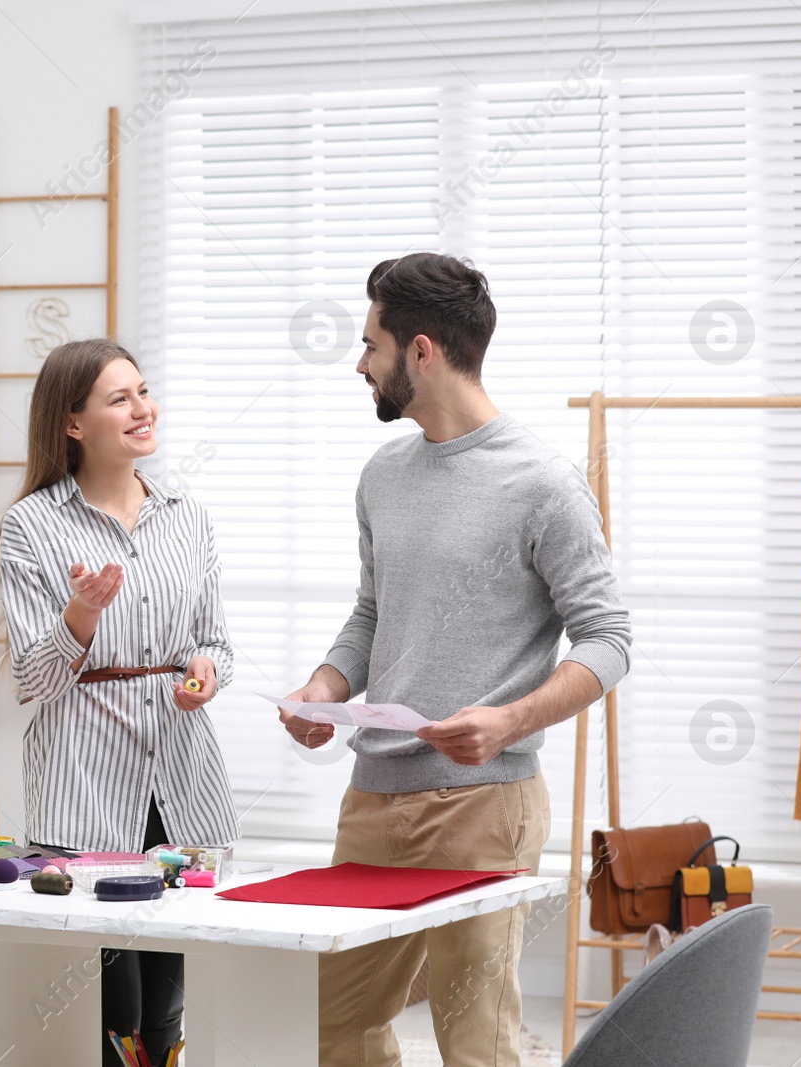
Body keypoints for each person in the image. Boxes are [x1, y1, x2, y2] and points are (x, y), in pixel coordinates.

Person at [282, 254, 632, 1067]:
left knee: (473, 1043)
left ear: (423, 352)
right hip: (374, 797)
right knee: (334, 1025)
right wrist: (325, 685)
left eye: (371, 345)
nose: (360, 362)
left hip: (484, 804)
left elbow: (608, 638)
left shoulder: (544, 482)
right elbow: (375, 610)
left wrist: (510, 718)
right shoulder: (384, 473)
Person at [0, 337, 240, 1066]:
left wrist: (206, 671)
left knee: (168, 995)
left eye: (144, 390)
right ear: (73, 423)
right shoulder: (31, 526)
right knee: (112, 1006)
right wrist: (80, 618)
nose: (144, 408)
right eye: (120, 397)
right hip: (84, 784)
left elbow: (217, 641)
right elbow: (31, 682)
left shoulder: (187, 516)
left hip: (182, 778)